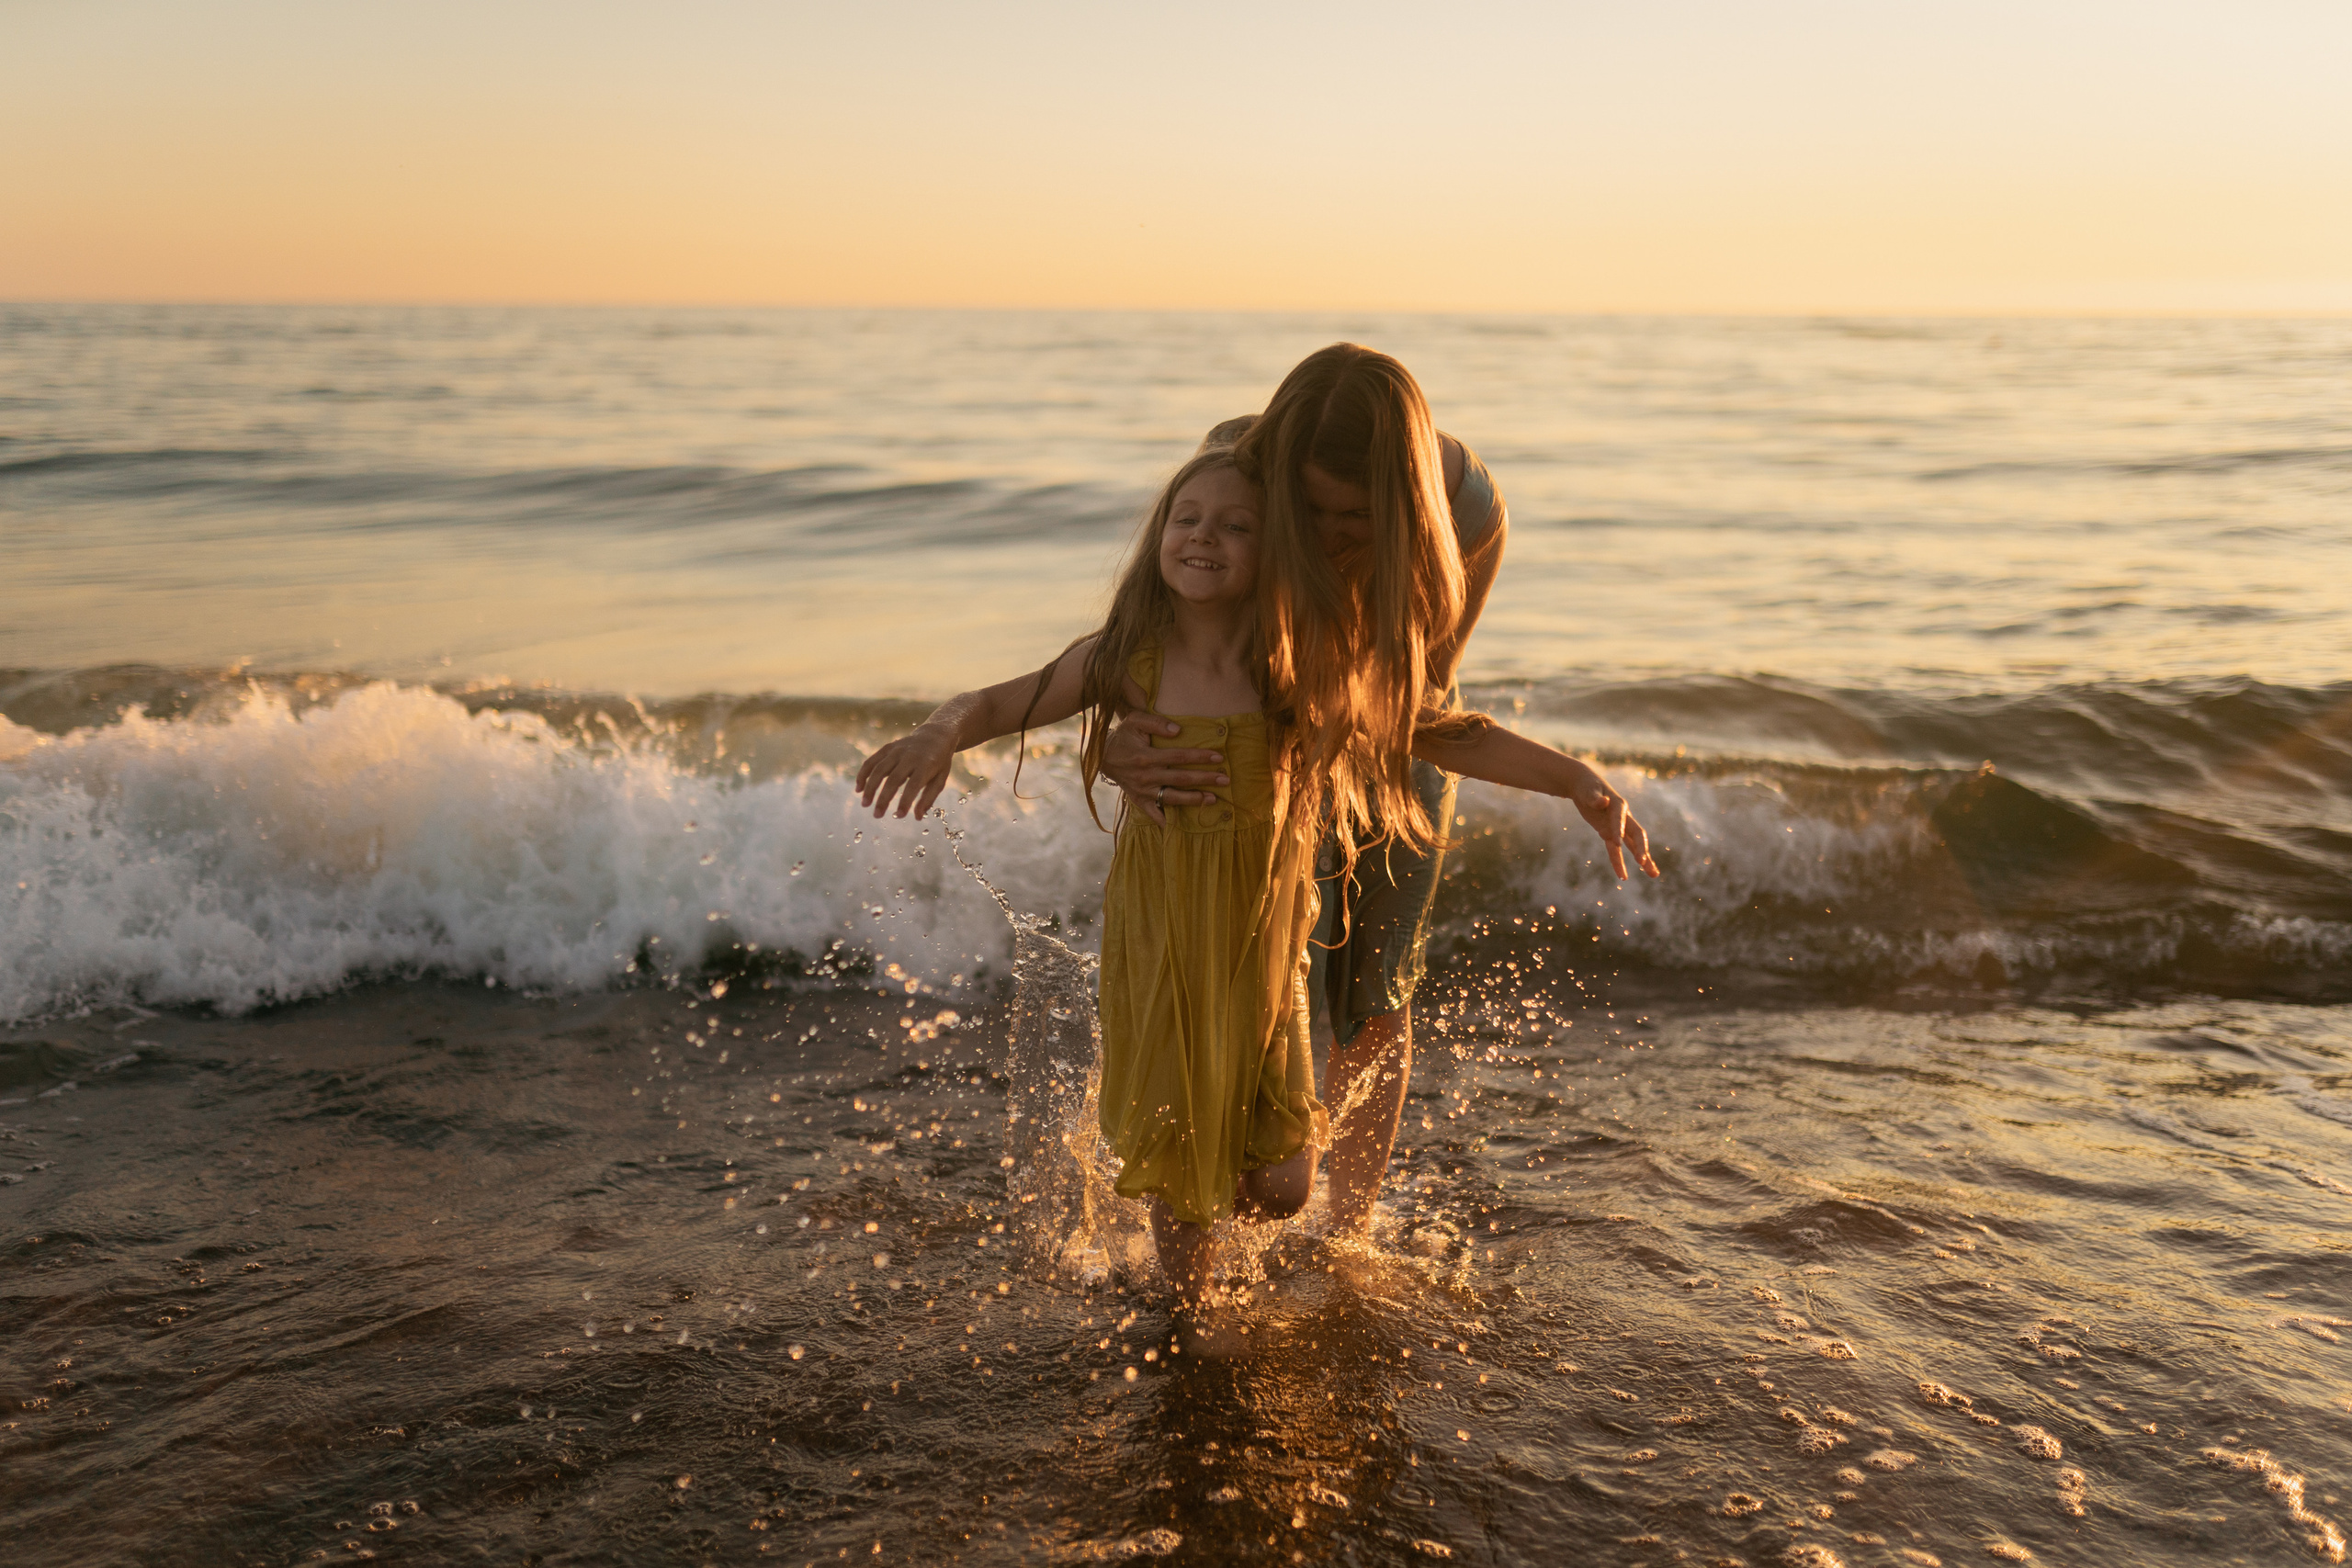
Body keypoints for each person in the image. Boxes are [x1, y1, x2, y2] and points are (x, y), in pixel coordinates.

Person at [1100, 344, 1657, 1236]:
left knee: (1374, 986)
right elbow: (1154, 643)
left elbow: (1417, 705)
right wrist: (1123, 741)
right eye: (1308, 513)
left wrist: (1571, 780)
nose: (1325, 539)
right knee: (1264, 965)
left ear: (1401, 506)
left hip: (1394, 718)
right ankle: (1223, 1190)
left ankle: (1346, 1233)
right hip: (1267, 731)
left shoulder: (1467, 510)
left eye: (1352, 518)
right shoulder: (1232, 476)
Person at [854, 448, 1329, 1340]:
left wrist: (1573, 783)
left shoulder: (1290, 665)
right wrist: (935, 732)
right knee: (1180, 1140)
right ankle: (1192, 1325)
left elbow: (1420, 726)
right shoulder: (1125, 658)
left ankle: (1194, 1226)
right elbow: (994, 704)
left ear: (1276, 552)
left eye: (1236, 526)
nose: (1204, 537)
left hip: (1262, 948)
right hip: (1160, 939)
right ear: (1158, 534)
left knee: (1280, 1187)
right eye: (1186, 518)